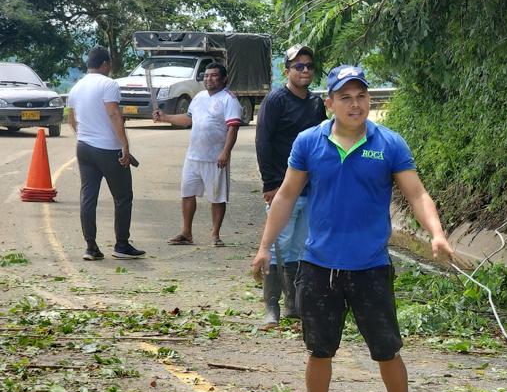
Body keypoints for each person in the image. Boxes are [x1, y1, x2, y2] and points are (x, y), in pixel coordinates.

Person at [251, 65, 454, 392]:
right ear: (329, 103)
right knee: (319, 351)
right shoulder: (309, 142)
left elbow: (416, 193)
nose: (354, 104)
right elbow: (287, 196)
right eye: (345, 97)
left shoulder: (389, 143)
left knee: (387, 350)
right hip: (319, 266)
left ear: (369, 102)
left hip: (371, 267)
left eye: (361, 96)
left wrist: (437, 232)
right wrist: (264, 247)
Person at [254, 44, 326, 327]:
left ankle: (293, 304)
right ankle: (270, 306)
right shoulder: (275, 100)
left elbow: (324, 142)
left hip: (311, 188)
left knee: (298, 247)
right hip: (281, 189)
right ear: (287, 70)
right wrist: (270, 183)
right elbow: (263, 142)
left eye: (309, 66)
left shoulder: (316, 104)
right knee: (276, 246)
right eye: (298, 66)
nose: (305, 70)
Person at [67, 46, 145, 261]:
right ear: (105, 64)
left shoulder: (76, 87)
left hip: (84, 147)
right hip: (108, 149)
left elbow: (71, 119)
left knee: (88, 197)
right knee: (123, 197)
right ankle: (121, 244)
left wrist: (84, 135)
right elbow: (113, 113)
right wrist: (125, 146)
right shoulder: (108, 84)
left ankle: (90, 246)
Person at [154, 63, 242, 246]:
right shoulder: (199, 97)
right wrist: (165, 117)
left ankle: (215, 235)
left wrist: (225, 152)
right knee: (187, 193)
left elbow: (233, 128)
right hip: (193, 156)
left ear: (224, 79)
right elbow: (189, 119)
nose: (209, 79)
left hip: (215, 158)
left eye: (214, 75)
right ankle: (186, 233)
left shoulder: (229, 100)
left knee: (217, 197)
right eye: (207, 75)